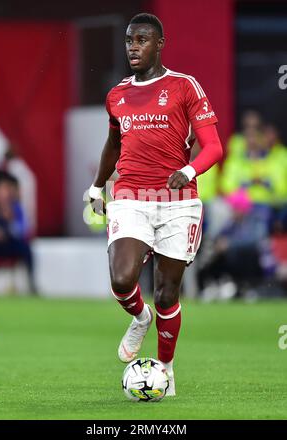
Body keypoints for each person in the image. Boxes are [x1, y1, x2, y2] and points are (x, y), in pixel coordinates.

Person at [84, 13, 223, 396]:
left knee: (167, 292)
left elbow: (213, 146)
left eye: (142, 40)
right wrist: (98, 187)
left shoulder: (184, 87)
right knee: (122, 278)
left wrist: (191, 170)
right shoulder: (117, 95)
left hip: (178, 202)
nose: (133, 46)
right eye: (129, 40)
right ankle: (139, 317)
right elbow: (114, 145)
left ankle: (165, 368)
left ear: (159, 44)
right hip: (130, 196)